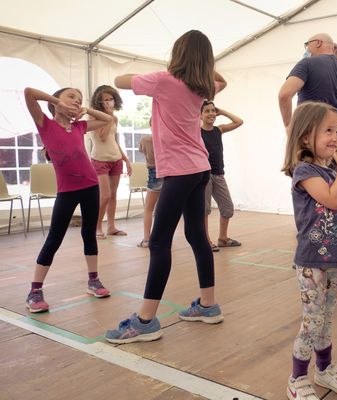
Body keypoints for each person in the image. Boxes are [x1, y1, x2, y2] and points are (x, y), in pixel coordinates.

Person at [105, 30, 227, 344]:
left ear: (178, 55)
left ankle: (145, 321)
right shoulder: (203, 88)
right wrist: (200, 65)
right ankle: (208, 305)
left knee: (159, 243)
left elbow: (120, 80)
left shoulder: (164, 80)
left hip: (181, 171)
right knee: (196, 235)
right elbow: (220, 81)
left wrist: (169, 70)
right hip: (200, 168)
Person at [282, 101, 337, 400]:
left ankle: (323, 369)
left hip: (334, 259)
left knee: (326, 319)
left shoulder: (328, 173)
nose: (335, 138)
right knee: (312, 321)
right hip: (312, 262)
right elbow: (333, 201)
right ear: (305, 137)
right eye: (327, 130)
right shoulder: (305, 172)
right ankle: (297, 377)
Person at [23, 87, 114, 313]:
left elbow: (108, 118)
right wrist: (58, 102)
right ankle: (35, 291)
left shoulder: (79, 126)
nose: (76, 101)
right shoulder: (45, 124)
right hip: (67, 191)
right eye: (71, 97)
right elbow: (29, 93)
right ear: (55, 103)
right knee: (55, 238)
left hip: (90, 186)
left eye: (79, 99)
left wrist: (85, 109)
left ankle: (93, 280)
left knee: (88, 234)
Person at [278, 33, 337, 149]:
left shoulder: (307, 63)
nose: (306, 50)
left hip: (311, 139)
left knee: (307, 168)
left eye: (307, 45)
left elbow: (284, 95)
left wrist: (289, 126)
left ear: (318, 43)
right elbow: (334, 101)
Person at [89, 85, 132, 238]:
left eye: (110, 99)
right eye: (104, 100)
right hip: (99, 160)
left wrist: (126, 160)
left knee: (113, 195)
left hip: (116, 160)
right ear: (98, 103)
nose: (108, 103)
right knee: (105, 196)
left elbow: (113, 140)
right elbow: (101, 136)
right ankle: (97, 227)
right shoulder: (94, 118)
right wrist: (108, 118)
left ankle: (111, 227)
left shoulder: (115, 118)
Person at [200, 100, 244, 251]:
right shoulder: (196, 131)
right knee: (204, 210)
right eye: (207, 111)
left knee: (227, 208)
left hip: (219, 174)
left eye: (213, 111)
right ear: (200, 115)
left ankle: (223, 238)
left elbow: (239, 121)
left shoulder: (219, 130)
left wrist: (222, 111)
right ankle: (205, 241)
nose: (211, 113)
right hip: (204, 175)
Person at [137, 125, 162, 248]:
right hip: (169, 173)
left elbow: (142, 151)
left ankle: (146, 239)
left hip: (154, 172)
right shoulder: (168, 138)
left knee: (149, 208)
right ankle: (164, 238)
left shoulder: (145, 140)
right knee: (164, 209)